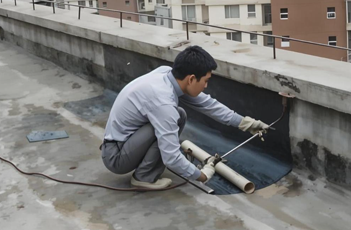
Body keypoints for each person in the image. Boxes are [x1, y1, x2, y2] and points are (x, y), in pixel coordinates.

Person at [101, 46, 269, 189]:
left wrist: (245, 123)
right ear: (191, 79)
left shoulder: (167, 74)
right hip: (116, 157)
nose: (206, 86)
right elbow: (171, 157)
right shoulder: (163, 102)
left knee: (178, 115)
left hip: (122, 143)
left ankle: (146, 170)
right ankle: (143, 178)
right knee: (174, 118)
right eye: (206, 80)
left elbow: (207, 104)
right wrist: (202, 175)